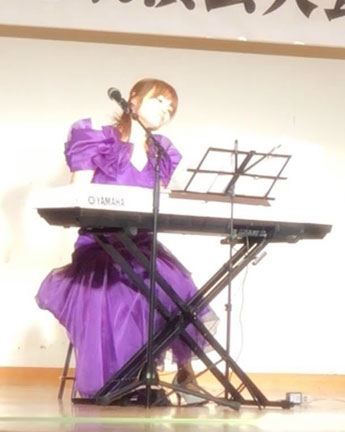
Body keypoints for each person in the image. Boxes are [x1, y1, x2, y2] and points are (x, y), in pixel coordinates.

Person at [36, 78, 216, 405]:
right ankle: (122, 381)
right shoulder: (96, 139)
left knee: (175, 287)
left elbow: (158, 205)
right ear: (133, 99)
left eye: (170, 109)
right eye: (159, 101)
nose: (165, 111)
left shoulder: (161, 151)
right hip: (102, 246)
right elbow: (79, 194)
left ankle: (184, 375)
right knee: (119, 293)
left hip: (143, 247)